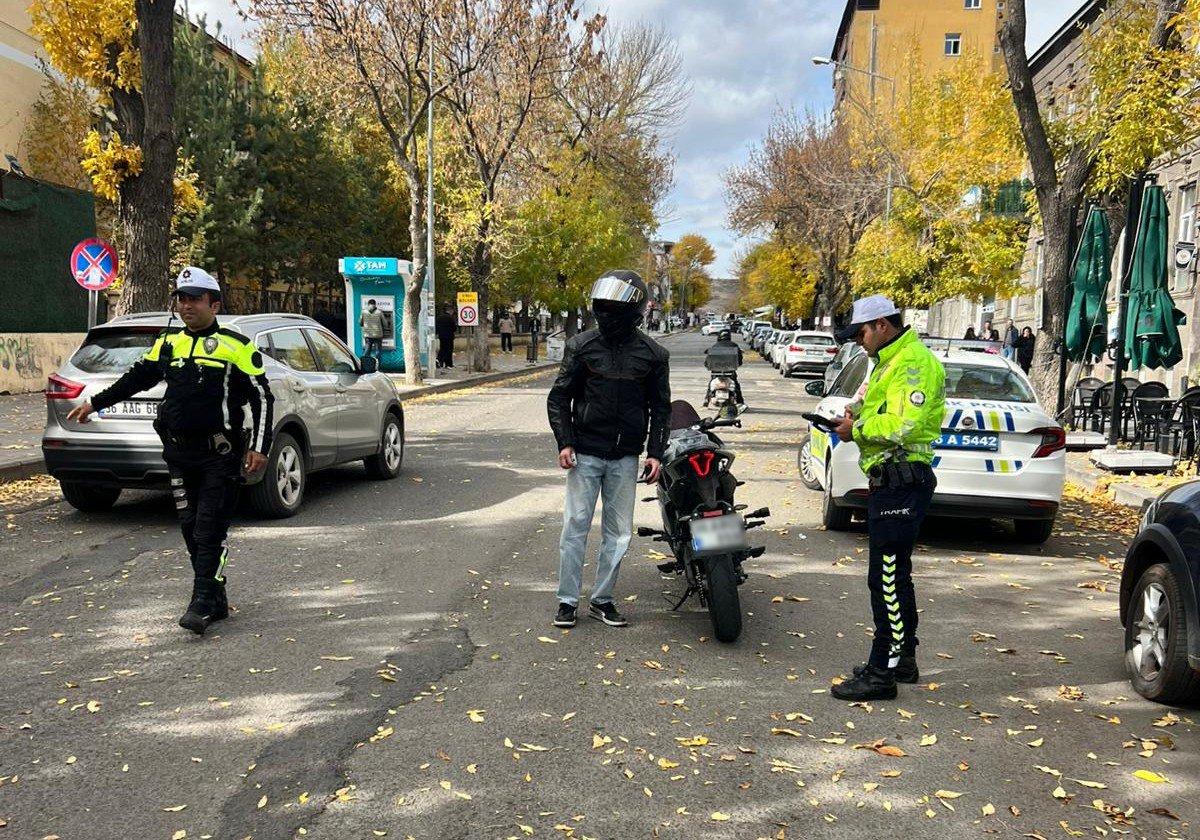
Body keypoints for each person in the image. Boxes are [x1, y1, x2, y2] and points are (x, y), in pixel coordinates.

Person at [66, 267, 274, 635]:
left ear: (214, 304)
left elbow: (262, 398)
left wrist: (259, 448)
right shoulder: (168, 343)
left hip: (219, 455)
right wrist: (95, 403)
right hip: (178, 454)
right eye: (181, 299)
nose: (186, 305)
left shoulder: (236, 345)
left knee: (208, 529)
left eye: (195, 299)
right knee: (190, 528)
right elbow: (136, 379)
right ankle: (216, 597)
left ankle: (201, 604)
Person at [830, 295, 945, 701]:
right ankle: (903, 660)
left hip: (902, 480)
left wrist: (857, 430)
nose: (858, 341)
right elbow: (876, 404)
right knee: (895, 575)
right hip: (893, 480)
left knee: (887, 580)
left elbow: (905, 423)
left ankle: (882, 673)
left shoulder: (912, 362)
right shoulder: (888, 360)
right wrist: (855, 411)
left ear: (881, 325)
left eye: (860, 333)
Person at [547, 269, 671, 629]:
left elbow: (660, 407)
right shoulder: (582, 346)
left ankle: (602, 600)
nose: (606, 312)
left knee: (618, 534)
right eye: (602, 305)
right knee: (575, 526)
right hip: (585, 453)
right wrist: (565, 441)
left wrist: (655, 452)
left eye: (614, 306)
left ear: (634, 310)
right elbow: (560, 397)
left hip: (625, 456)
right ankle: (567, 601)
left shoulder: (653, 354)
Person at [704, 329, 745, 410]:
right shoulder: (734, 346)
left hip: (716, 372)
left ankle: (706, 399)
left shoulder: (714, 346)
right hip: (730, 371)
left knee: (711, 384)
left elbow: (707, 362)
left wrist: (709, 365)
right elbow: (739, 361)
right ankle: (740, 401)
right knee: (736, 384)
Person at [435, 303, 457, 369]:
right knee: (449, 350)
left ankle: (440, 362)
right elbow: (454, 328)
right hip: (449, 337)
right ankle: (448, 364)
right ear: (450, 310)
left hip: (441, 336)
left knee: (442, 348)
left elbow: (436, 327)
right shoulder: (450, 318)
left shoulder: (439, 317)